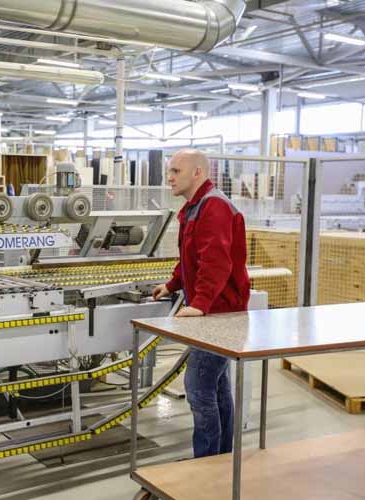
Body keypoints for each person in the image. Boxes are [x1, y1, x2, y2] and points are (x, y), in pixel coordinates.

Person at [152, 149, 250, 458]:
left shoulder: (214, 207)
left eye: (176, 171)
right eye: (169, 171)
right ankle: (220, 458)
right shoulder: (195, 208)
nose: (169, 177)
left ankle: (206, 462)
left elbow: (216, 260)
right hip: (214, 311)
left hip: (220, 315)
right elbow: (191, 257)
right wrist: (172, 284)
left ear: (197, 172)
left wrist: (201, 304)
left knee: (197, 386)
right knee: (217, 387)